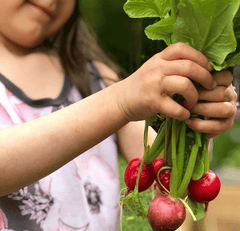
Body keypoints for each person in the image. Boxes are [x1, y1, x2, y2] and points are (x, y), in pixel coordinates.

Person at [0, 0, 237, 230]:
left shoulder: (93, 77)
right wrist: (119, 101)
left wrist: (199, 119)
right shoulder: (111, 96)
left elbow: (167, 177)